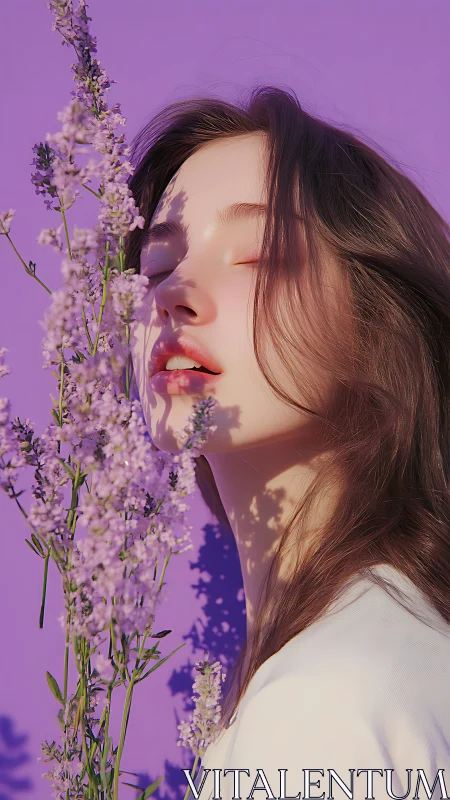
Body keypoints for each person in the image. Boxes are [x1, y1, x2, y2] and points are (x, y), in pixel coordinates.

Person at [125, 86, 450, 800]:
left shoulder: (323, 706)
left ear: (378, 326)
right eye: (156, 266)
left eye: (258, 255)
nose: (174, 292)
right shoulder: (386, 651)